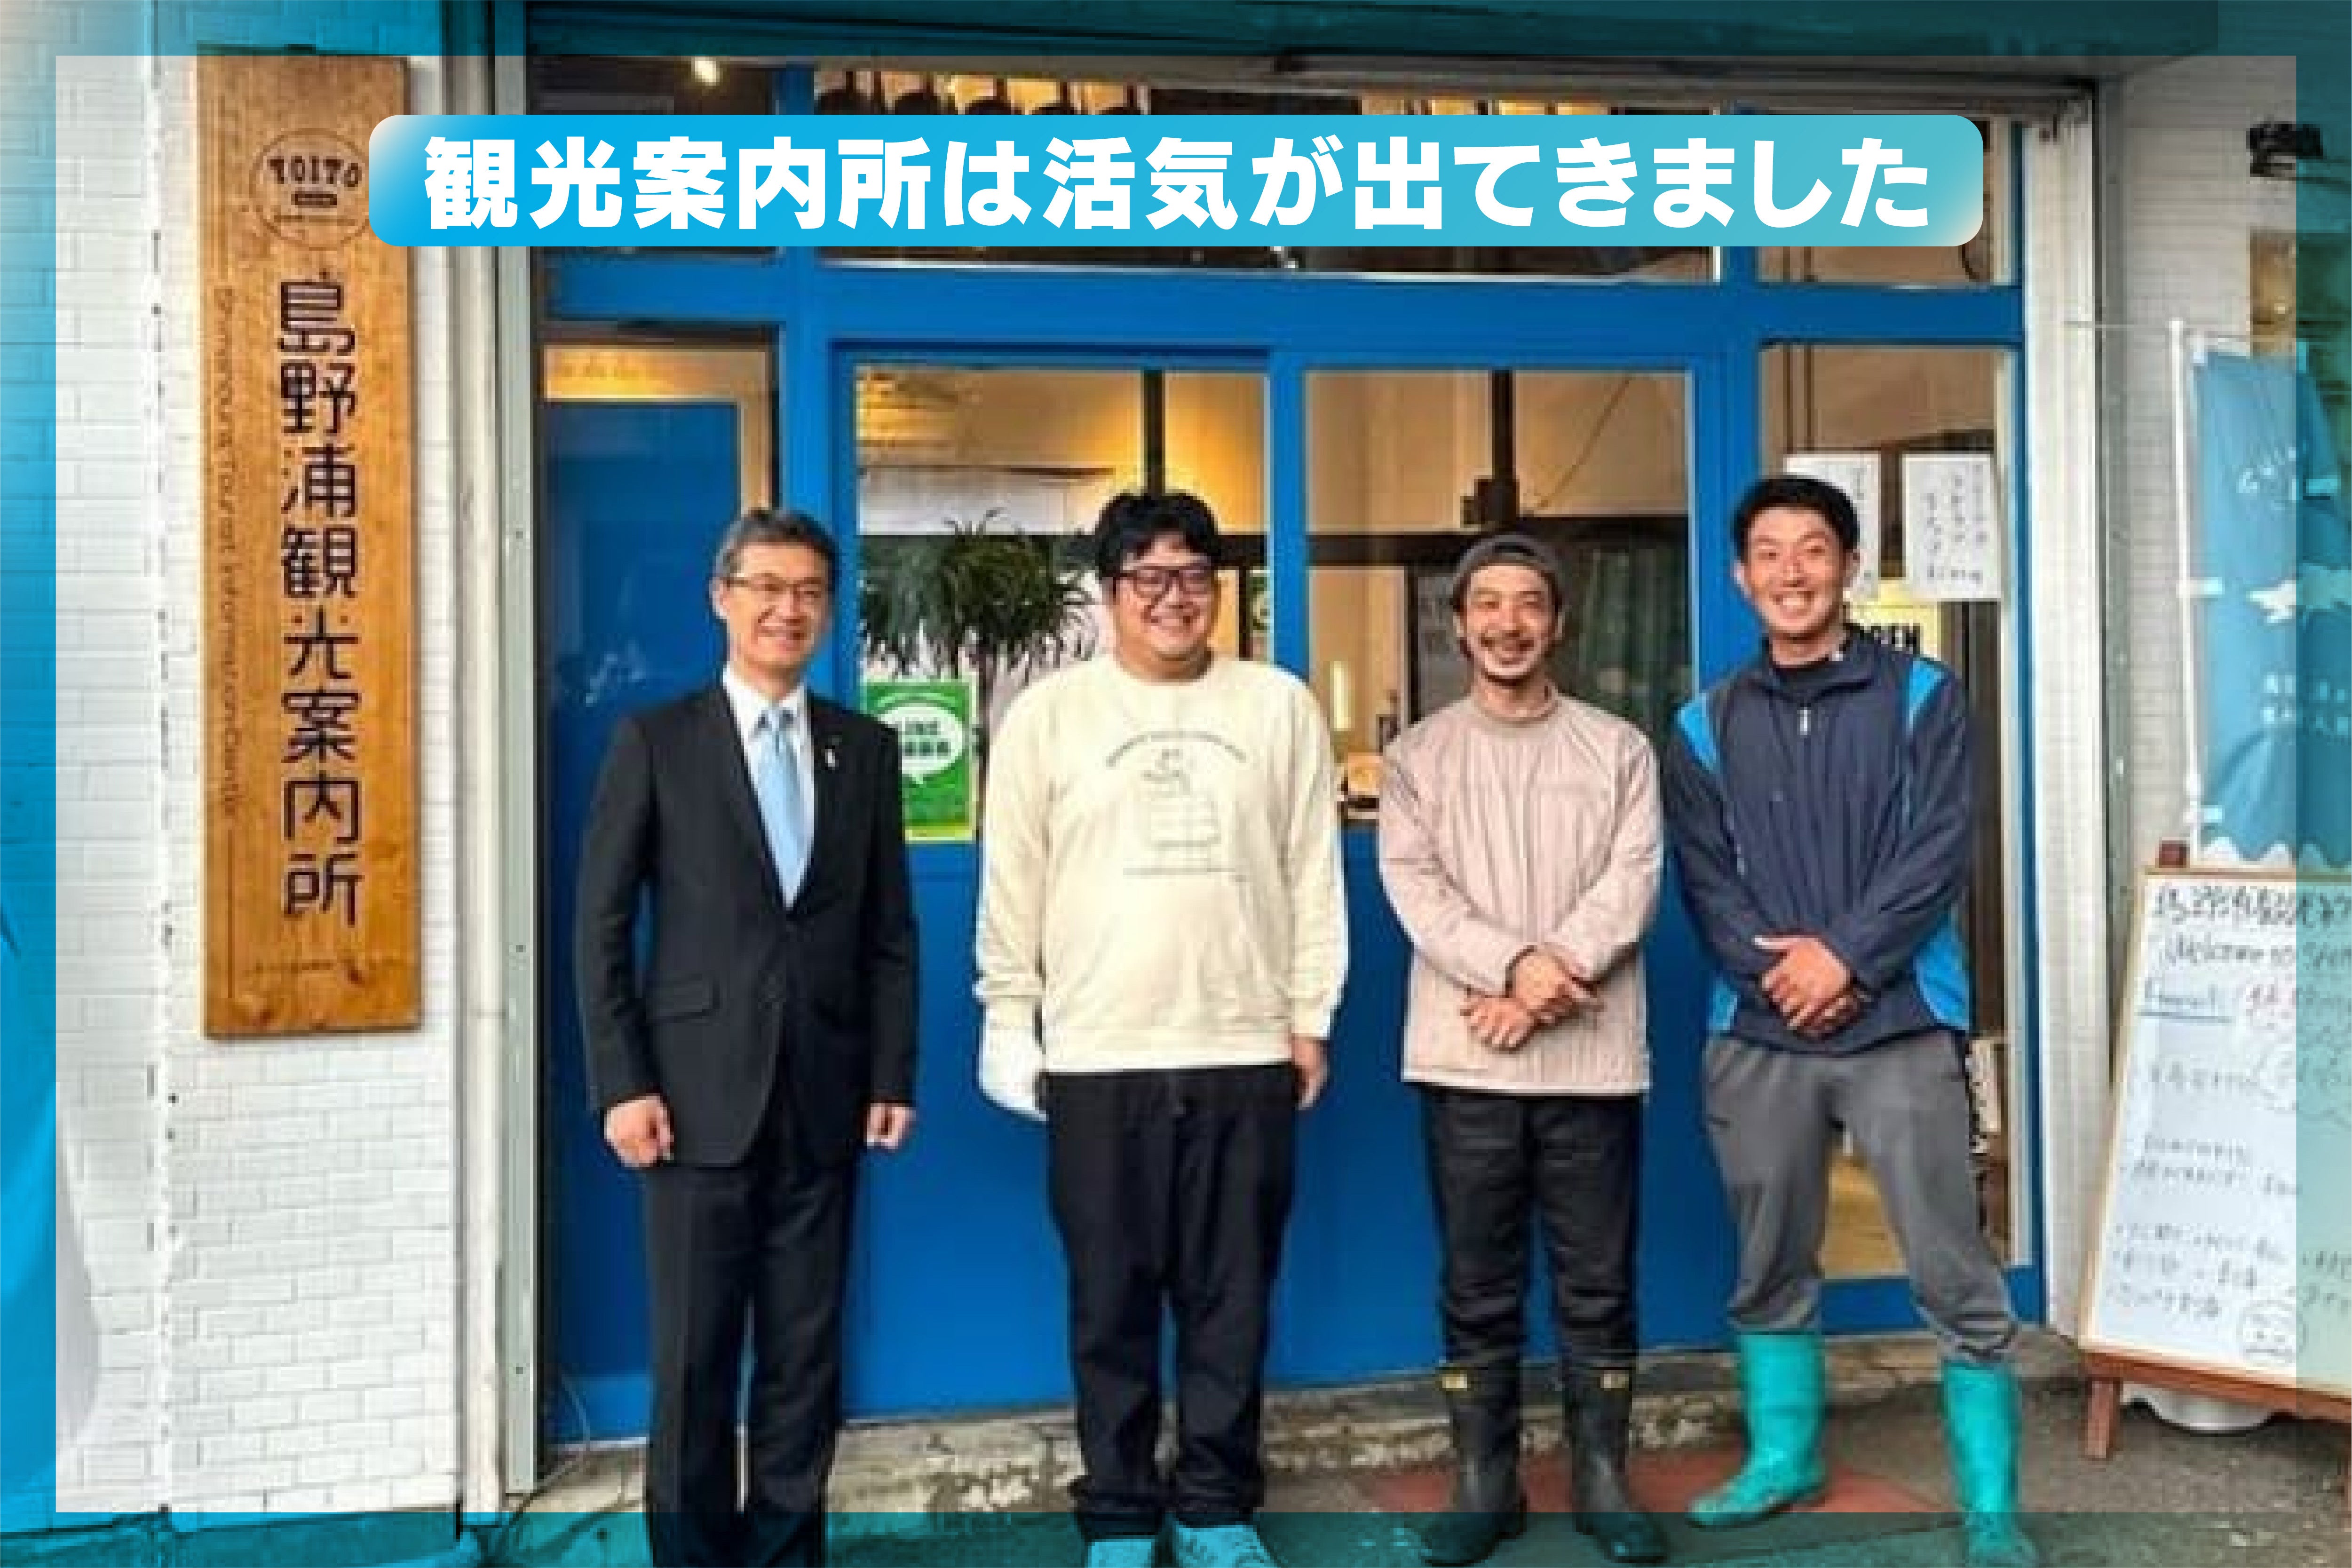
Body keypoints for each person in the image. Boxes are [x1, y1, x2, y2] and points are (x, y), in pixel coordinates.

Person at [1660, 475, 2033, 1568]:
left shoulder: (1923, 694)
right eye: (1768, 553)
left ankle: (1989, 1504)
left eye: (1812, 549)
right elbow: (1705, 878)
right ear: (1740, 576)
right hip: (1756, 1025)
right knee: (1767, 1254)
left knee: (1950, 1260)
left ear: (1848, 566)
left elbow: (1936, 850)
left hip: (1902, 1018)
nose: (1791, 572)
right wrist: (1780, 973)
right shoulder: (1703, 721)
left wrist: (1845, 959)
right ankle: (1784, 1458)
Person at [974, 490, 1348, 1568]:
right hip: (1098, 1053)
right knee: (1110, 1300)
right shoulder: (1049, 716)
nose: (1172, 597)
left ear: (1217, 590)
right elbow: (1012, 878)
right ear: (1108, 592)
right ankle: (1120, 1514)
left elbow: (1311, 871)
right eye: (1147, 577)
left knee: (1231, 1297)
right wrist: (1009, 1014)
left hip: (1242, 1046)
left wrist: (1308, 1013)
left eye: (1192, 575)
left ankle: (1216, 1504)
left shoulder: (1275, 705)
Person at [574, 507, 918, 1568]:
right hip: (690, 1100)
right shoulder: (657, 741)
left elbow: (889, 930)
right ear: (720, 597)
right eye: (766, 586)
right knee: (694, 1360)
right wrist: (621, 1082)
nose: (787, 609)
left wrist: (891, 1072)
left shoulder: (863, 748)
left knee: (804, 1359)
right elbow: (599, 925)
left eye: (808, 590)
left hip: (823, 1095)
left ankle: (784, 1555)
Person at [1378, 534, 1669, 1568]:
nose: (1508, 624)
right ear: (1459, 625)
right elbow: (1417, 892)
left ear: (1558, 622)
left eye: (1529, 604)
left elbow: (1632, 882)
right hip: (1465, 1061)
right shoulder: (1417, 758)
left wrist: (1539, 984)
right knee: (1476, 1280)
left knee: (1597, 1279)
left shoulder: (1617, 749)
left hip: (1591, 1062)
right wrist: (1516, 969)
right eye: (1487, 605)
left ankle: (1602, 1477)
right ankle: (1483, 1481)